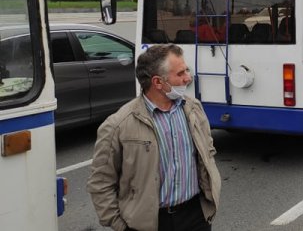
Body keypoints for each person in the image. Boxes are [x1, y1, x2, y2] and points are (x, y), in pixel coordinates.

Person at [87, 45, 221, 231]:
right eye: (180, 73)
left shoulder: (193, 108)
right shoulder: (119, 124)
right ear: (158, 82)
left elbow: (207, 154)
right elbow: (101, 182)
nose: (188, 78)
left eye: (187, 70)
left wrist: (209, 202)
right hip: (150, 223)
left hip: (195, 215)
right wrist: (120, 226)